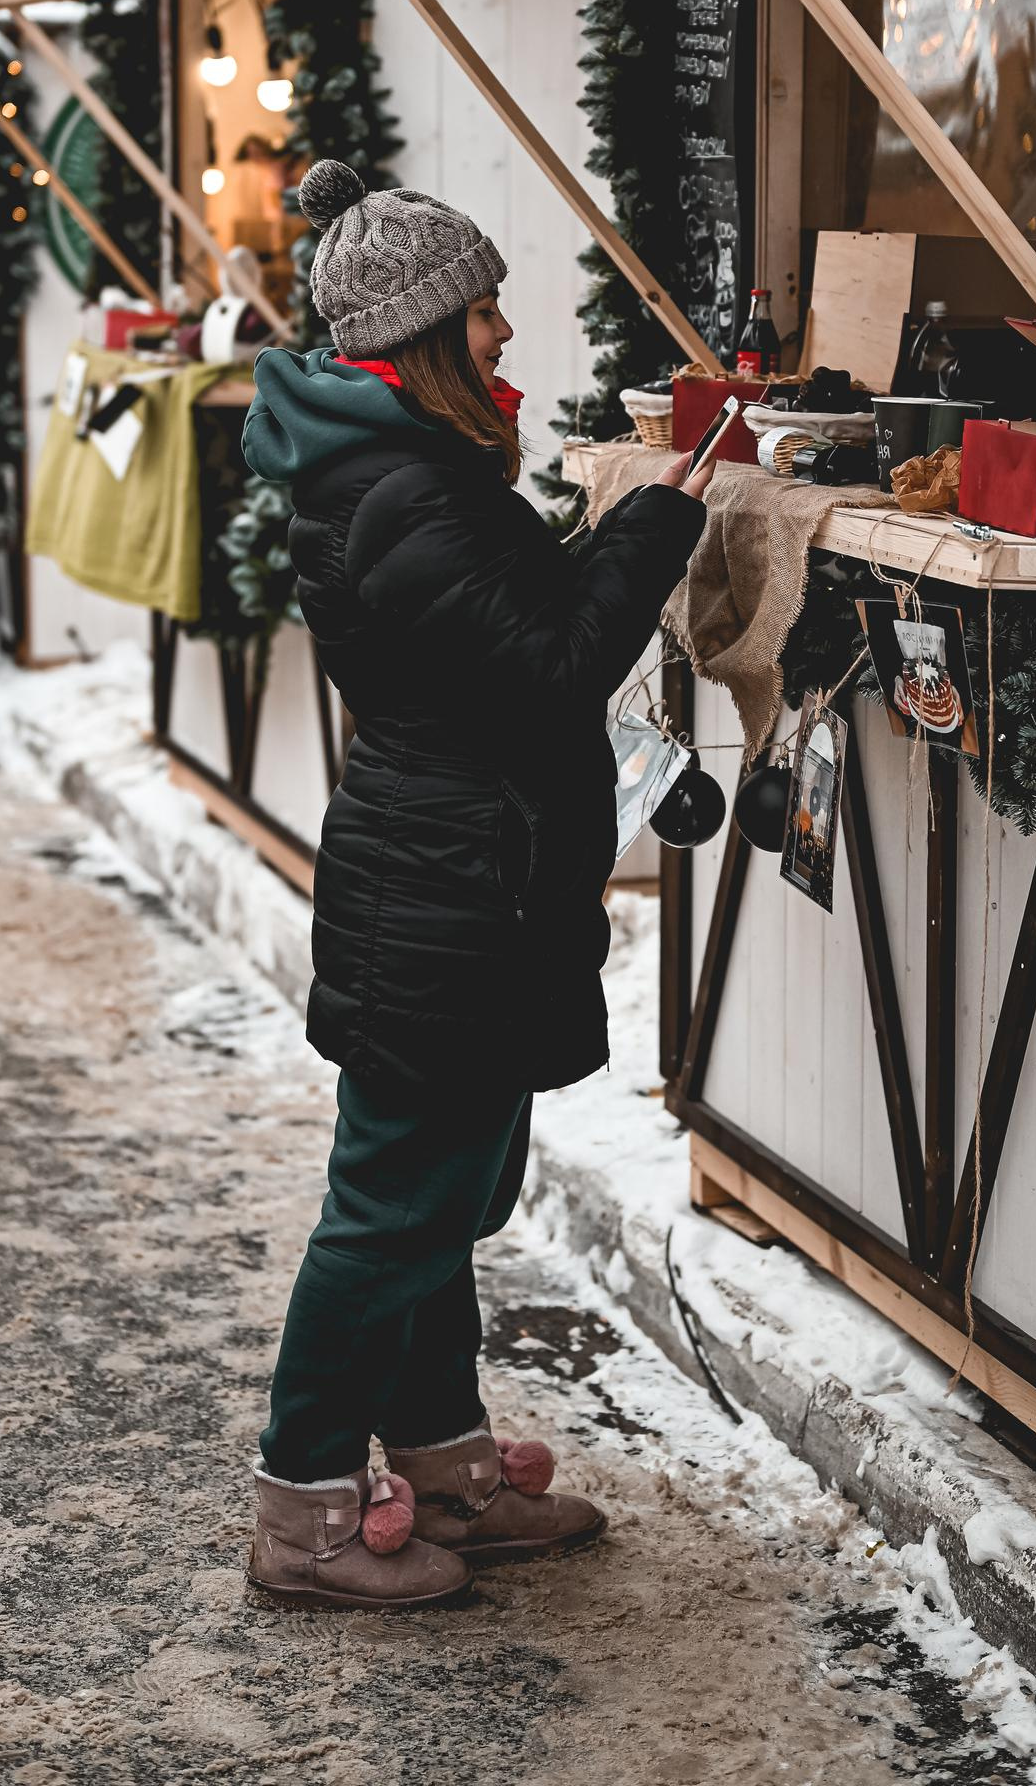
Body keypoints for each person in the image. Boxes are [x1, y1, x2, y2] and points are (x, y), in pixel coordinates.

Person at [239, 157, 713, 1612]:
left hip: (455, 880)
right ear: (428, 336)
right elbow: (555, 669)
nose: (507, 331)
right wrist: (647, 526)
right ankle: (304, 1501)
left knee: (435, 1195)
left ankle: (438, 1459)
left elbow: (503, 637)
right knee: (390, 1205)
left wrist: (595, 543)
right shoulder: (408, 498)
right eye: (487, 308)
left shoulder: (401, 479)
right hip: (444, 889)